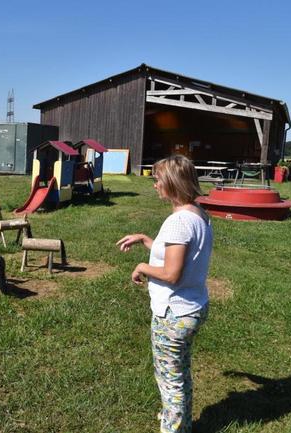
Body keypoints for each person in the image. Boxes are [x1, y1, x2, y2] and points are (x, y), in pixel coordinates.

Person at [116, 155, 213, 433]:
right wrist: (147, 241)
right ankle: (182, 422)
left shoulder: (178, 222)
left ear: (171, 183)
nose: (155, 185)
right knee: (178, 372)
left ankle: (174, 428)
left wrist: (141, 266)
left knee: (170, 378)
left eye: (158, 179)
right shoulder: (198, 214)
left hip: (174, 313)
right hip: (193, 307)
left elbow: (172, 273)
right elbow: (182, 254)